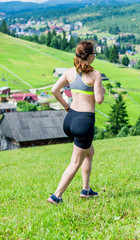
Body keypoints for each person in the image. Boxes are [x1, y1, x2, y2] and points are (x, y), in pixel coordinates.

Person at [47, 41, 105, 205]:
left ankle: (86, 190)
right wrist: (102, 91)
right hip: (84, 123)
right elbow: (99, 100)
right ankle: (56, 196)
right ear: (90, 56)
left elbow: (54, 90)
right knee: (75, 162)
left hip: (70, 120)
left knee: (89, 152)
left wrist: (66, 105)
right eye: (94, 53)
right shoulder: (95, 74)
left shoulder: (69, 72)